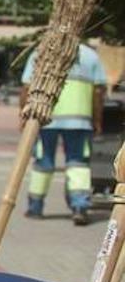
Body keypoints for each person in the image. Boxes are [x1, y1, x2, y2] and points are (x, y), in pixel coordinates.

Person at [21, 40, 112, 225]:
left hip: (45, 119)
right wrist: (97, 118)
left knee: (43, 162)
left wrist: (23, 115)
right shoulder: (90, 56)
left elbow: (26, 87)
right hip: (79, 120)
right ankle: (80, 206)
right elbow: (98, 91)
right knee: (78, 163)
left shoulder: (42, 52)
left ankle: (35, 207)